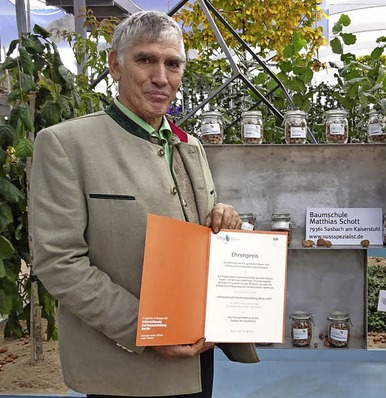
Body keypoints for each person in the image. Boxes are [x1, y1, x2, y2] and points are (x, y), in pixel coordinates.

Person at [30, 10, 258, 398]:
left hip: (198, 356)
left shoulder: (190, 145)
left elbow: (197, 226)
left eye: (173, 64)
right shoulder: (67, 145)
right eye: (145, 60)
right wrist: (147, 329)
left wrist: (225, 219)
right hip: (125, 370)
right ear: (115, 65)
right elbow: (58, 261)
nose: (161, 77)